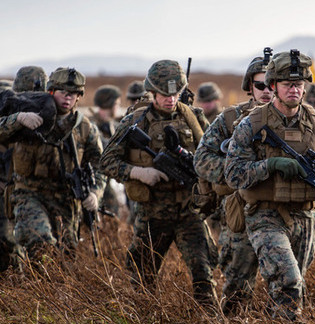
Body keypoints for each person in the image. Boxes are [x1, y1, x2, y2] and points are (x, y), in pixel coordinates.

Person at [224, 50, 315, 320]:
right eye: (287, 84)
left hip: (305, 216)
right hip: (265, 215)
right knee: (288, 283)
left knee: (293, 291)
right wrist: (270, 166)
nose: (294, 89)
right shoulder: (252, 125)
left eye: (299, 84)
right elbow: (233, 174)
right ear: (273, 86)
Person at [99, 60, 218, 310]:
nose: (170, 99)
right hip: (153, 214)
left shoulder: (193, 118)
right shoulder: (135, 121)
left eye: (175, 94)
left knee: (204, 277)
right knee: (143, 280)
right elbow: (106, 161)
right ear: (151, 92)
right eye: (164, 94)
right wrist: (138, 172)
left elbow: (212, 155)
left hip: (189, 211)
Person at [194, 51, 274, 315]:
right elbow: (202, 159)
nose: (266, 90)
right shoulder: (229, 119)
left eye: (272, 84)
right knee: (237, 294)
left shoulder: (301, 120)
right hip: (241, 217)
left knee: (287, 290)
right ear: (249, 86)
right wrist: (238, 173)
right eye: (260, 84)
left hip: (283, 215)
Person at [0, 67, 105, 261]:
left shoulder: (84, 127)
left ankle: (43, 289)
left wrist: (95, 193)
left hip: (66, 200)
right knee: (40, 243)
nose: (67, 98)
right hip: (29, 194)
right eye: (63, 93)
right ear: (51, 92)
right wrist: (18, 120)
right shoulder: (31, 115)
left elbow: (100, 164)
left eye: (73, 94)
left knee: (65, 259)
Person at [1, 66, 48, 271]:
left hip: (32, 194)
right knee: (8, 244)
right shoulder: (9, 114)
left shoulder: (49, 116)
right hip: (8, 191)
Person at [91, 85, 123, 217]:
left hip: (106, 179)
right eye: (117, 104)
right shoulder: (92, 126)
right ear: (109, 105)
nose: (118, 107)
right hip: (95, 179)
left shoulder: (112, 125)